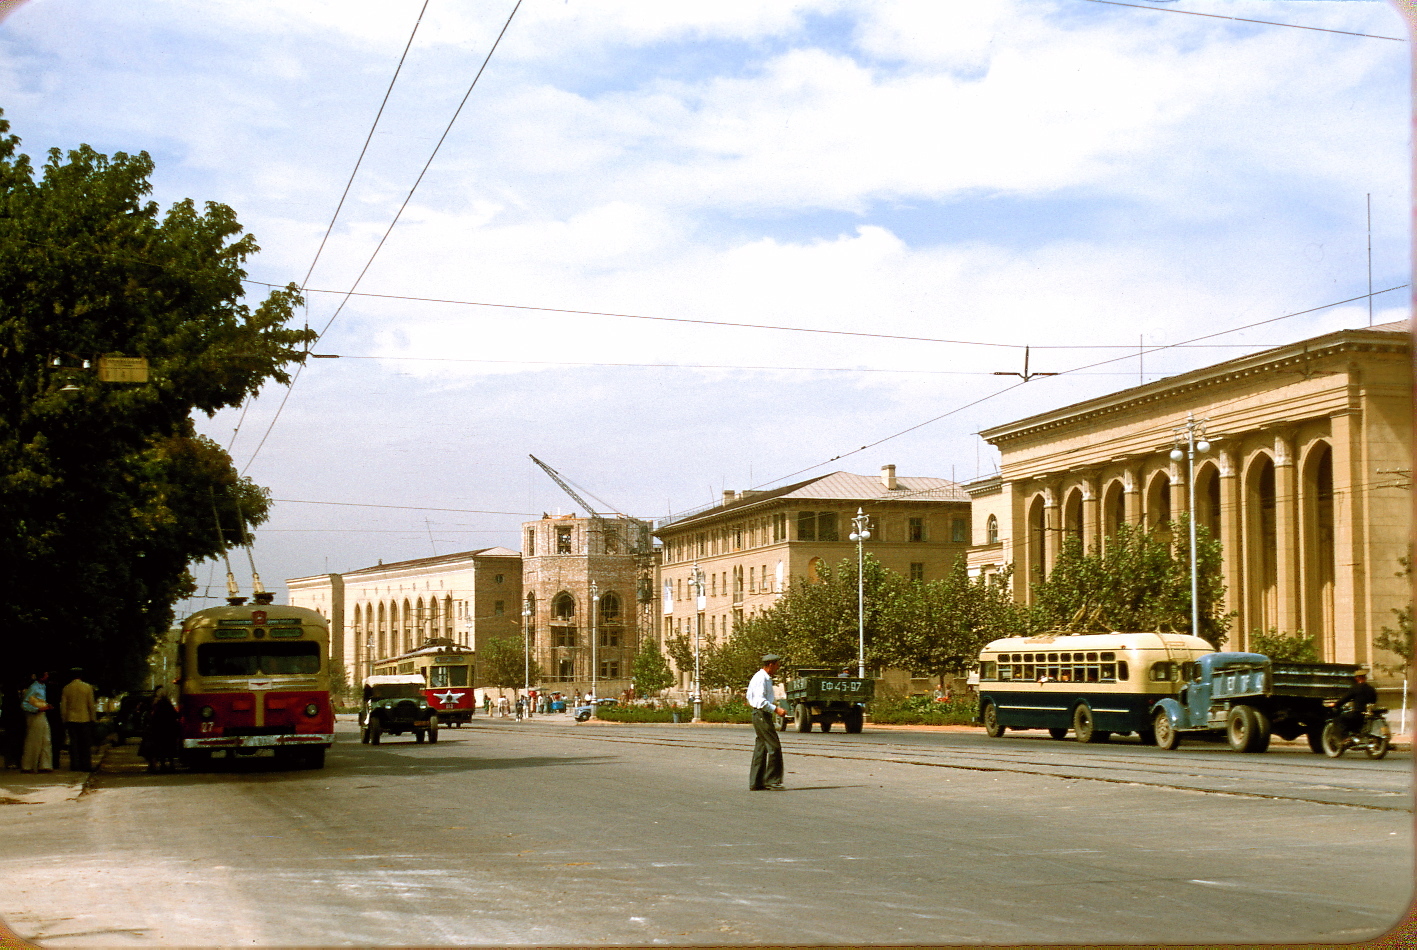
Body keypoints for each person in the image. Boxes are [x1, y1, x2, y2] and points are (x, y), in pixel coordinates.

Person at [746, 654, 788, 791]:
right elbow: (760, 701)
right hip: (761, 715)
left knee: (761, 747)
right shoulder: (761, 678)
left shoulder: (764, 678)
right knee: (774, 747)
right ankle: (772, 780)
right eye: (777, 665)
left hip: (761, 715)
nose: (778, 668)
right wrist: (776, 709)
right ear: (771, 665)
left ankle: (756, 781)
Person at [61, 668, 97, 772]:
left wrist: (64, 719)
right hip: (84, 719)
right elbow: (91, 704)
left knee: (74, 743)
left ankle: (75, 765)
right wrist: (93, 719)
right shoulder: (87, 687)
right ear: (81, 675)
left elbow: (63, 706)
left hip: (71, 719)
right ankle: (86, 765)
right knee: (85, 744)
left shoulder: (66, 688)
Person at [140, 688, 181, 773]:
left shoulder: (157, 706)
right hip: (169, 731)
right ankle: (171, 765)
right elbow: (175, 716)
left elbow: (154, 719)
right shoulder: (168, 705)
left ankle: (162, 765)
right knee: (170, 748)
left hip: (159, 731)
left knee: (161, 749)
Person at [1329, 668, 1378, 736]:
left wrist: (1335, 704)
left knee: (1339, 719)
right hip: (1369, 714)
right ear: (1365, 678)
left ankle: (1344, 739)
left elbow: (1345, 698)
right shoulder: (1371, 688)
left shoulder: (1355, 688)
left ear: (1357, 678)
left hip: (1358, 713)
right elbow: (1374, 700)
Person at [20, 672, 53, 773]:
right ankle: (28, 765)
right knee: (33, 740)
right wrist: (37, 709)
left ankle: (44, 764)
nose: (47, 676)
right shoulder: (33, 687)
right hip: (35, 716)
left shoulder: (42, 686)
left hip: (41, 715)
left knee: (45, 740)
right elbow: (24, 704)